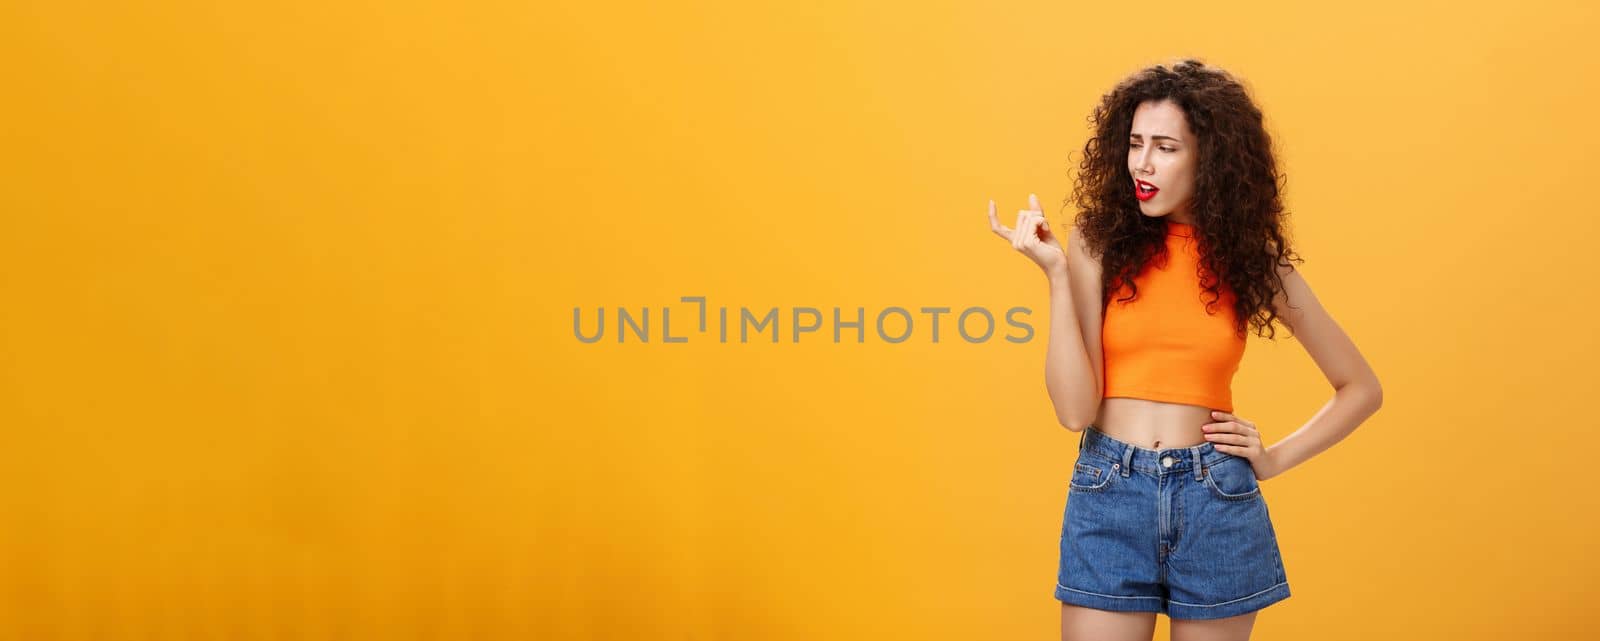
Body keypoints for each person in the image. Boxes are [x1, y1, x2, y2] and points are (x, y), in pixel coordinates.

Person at [985, 59, 1383, 641]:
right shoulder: (1098, 242)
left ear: (1210, 159)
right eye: (1136, 144)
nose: (1142, 164)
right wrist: (1055, 276)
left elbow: (1361, 388)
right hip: (1109, 488)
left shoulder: (1253, 261)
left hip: (1215, 497)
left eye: (1165, 147)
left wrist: (1271, 459)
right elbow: (1074, 411)